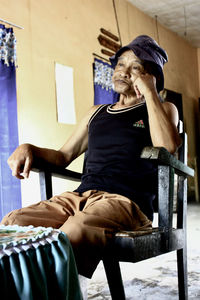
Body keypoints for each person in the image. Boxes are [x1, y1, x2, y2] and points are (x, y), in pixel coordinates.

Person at [1, 35, 181, 279]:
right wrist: (29, 148)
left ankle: (63, 292)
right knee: (15, 223)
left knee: (74, 231)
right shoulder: (96, 113)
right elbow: (63, 155)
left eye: (135, 67)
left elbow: (167, 146)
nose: (124, 71)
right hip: (80, 197)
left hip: (125, 202)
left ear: (151, 76)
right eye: (120, 64)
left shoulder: (162, 109)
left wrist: (150, 93)